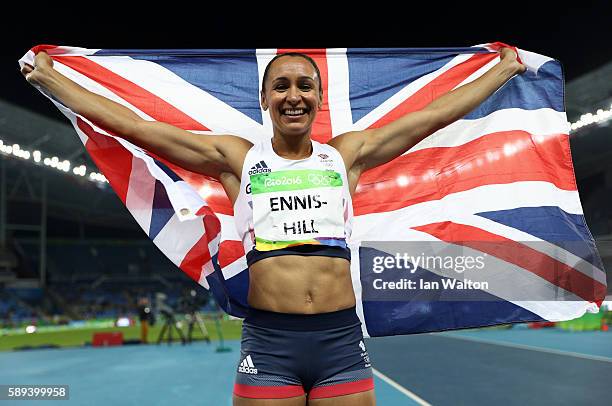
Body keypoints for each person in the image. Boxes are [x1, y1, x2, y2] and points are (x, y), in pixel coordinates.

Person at [22, 48, 525, 405]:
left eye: (305, 86)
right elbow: (135, 127)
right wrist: (52, 80)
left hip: (339, 341)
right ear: (264, 99)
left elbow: (432, 116)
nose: (293, 96)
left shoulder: (345, 155)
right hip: (270, 342)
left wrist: (502, 71)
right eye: (280, 86)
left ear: (319, 98)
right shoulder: (238, 158)